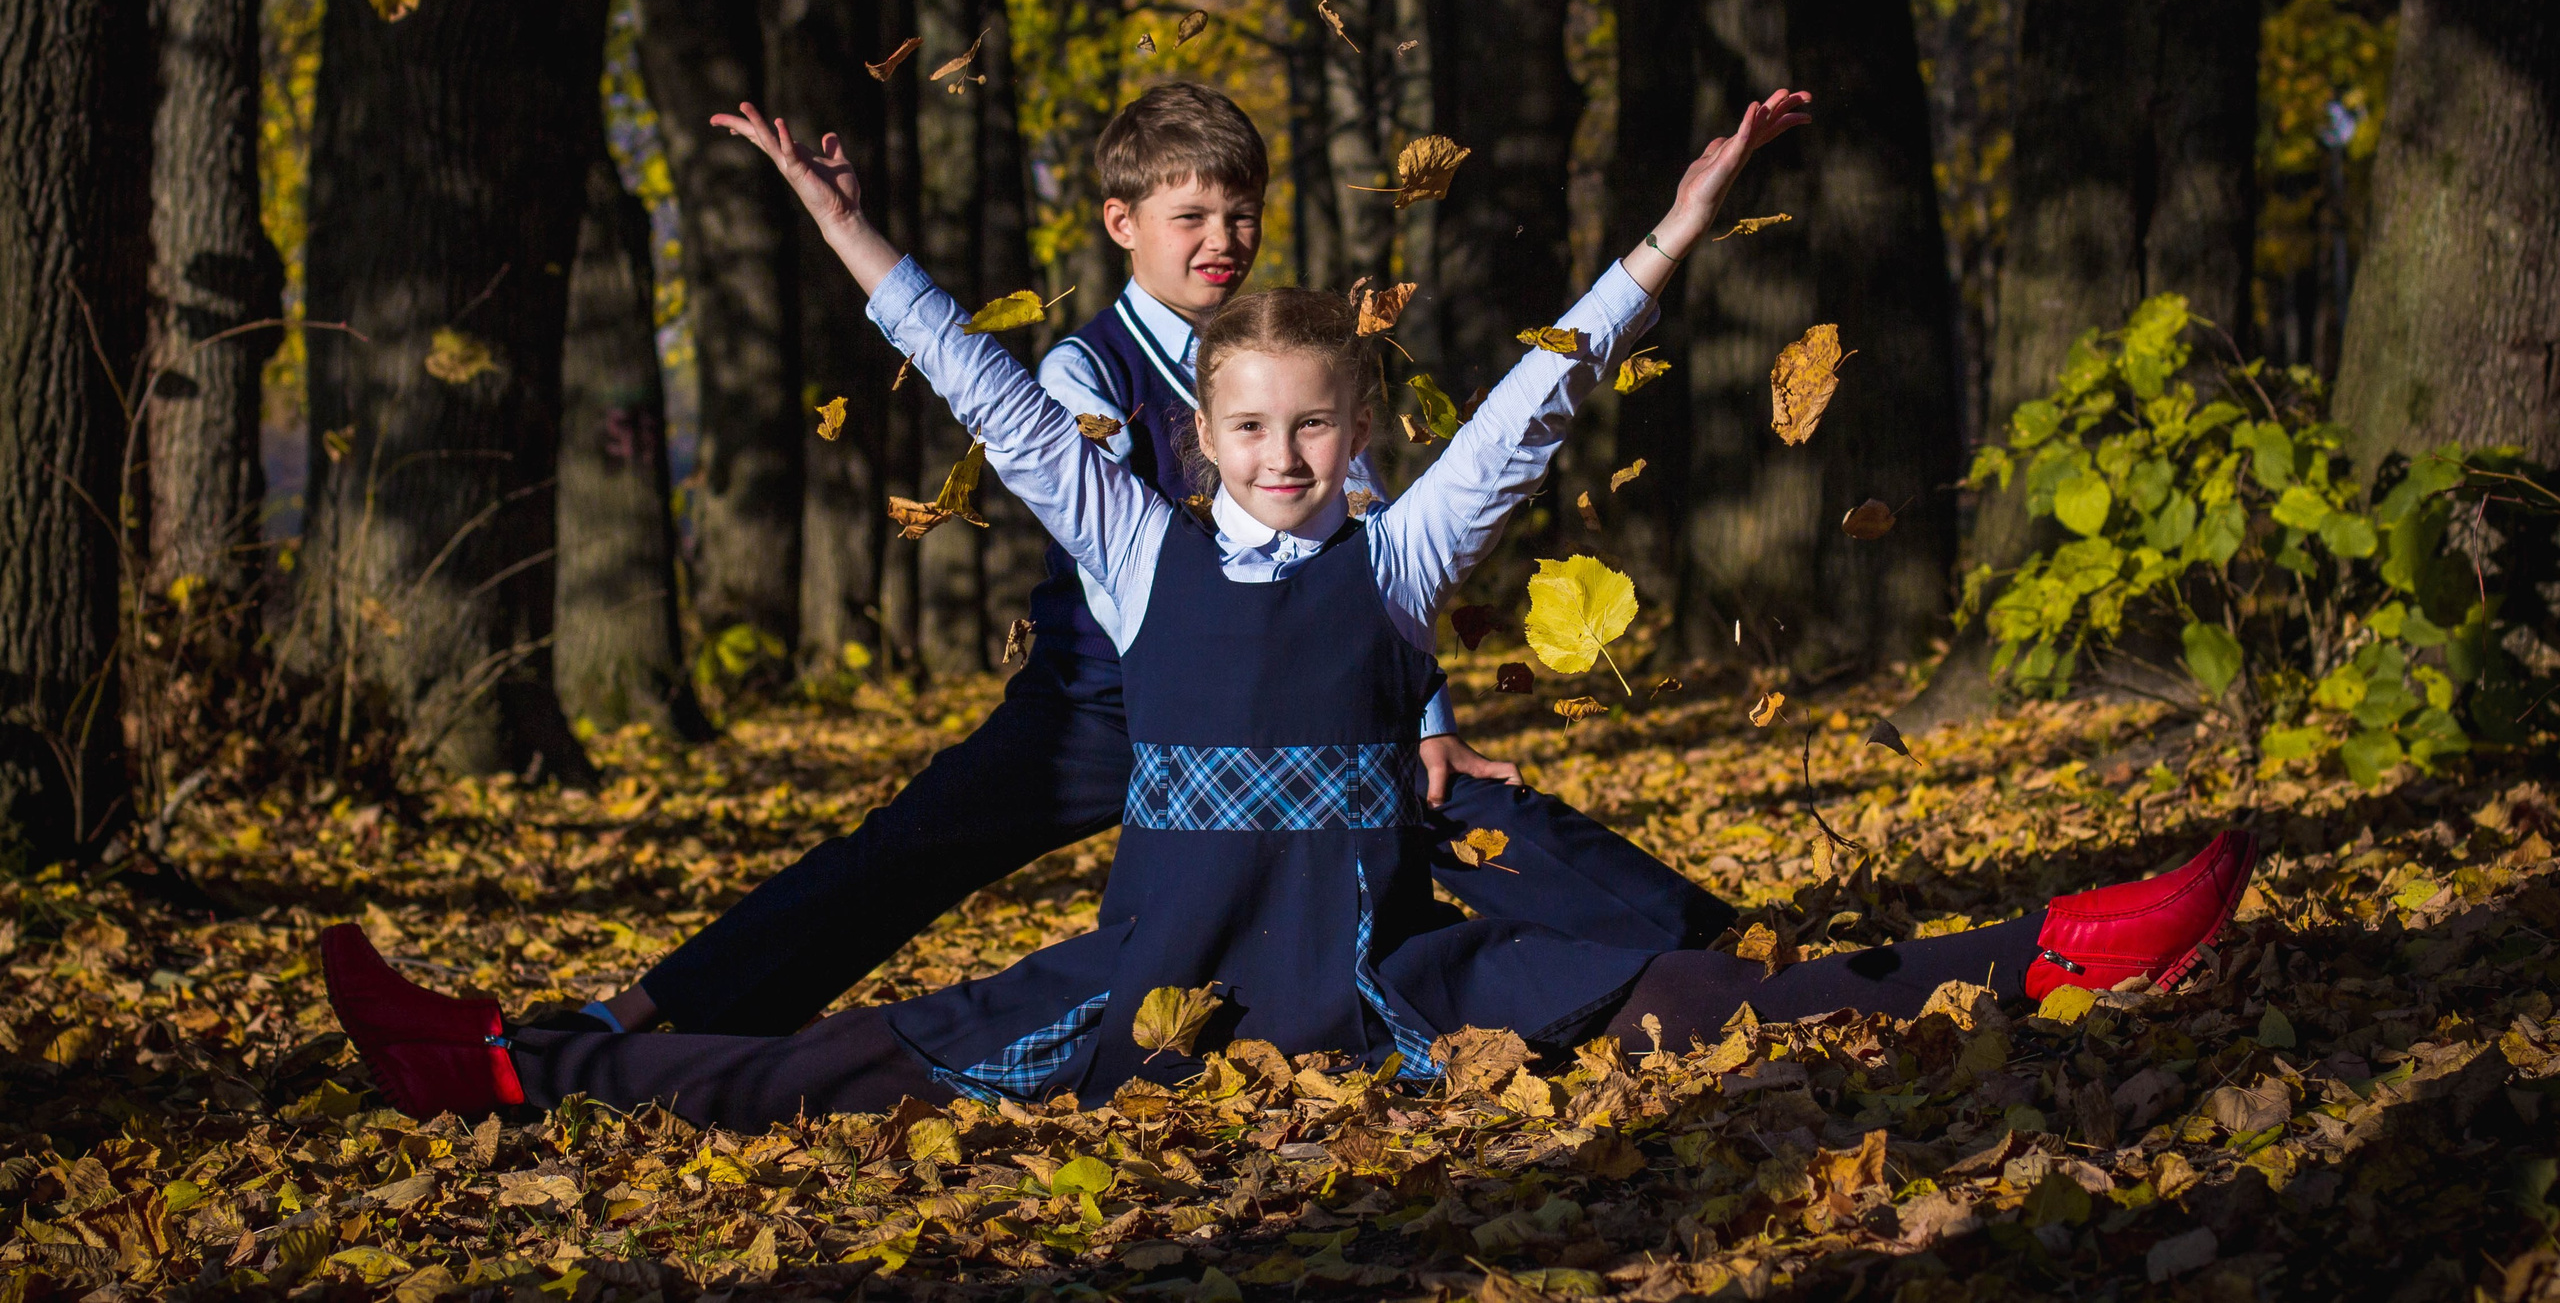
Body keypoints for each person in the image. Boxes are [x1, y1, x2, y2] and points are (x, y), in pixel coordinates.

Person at [322, 85, 2259, 1127]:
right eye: (1240, 421)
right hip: (1138, 923)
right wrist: (838, 222)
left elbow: (1535, 400)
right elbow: (979, 390)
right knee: (863, 1034)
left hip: (1373, 983)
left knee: (1668, 977)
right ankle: (531, 1056)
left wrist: (1673, 227)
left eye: (1302, 423)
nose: (1266, 450)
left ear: (1346, 429)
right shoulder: (1132, 512)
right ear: (1201, 415)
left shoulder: (1386, 547)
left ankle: (2044, 948)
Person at [545, 83, 1720, 1042]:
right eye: (1191, 218)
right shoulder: (1085, 372)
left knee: (1471, 806)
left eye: (1241, 216)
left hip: (1299, 691)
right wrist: (850, 231)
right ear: (1123, 224)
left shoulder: (1285, 359)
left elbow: (1368, 533)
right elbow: (1005, 415)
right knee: (903, 851)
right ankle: (645, 1015)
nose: (1222, 243)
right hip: (1102, 699)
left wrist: (1421, 706)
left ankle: (1718, 959)